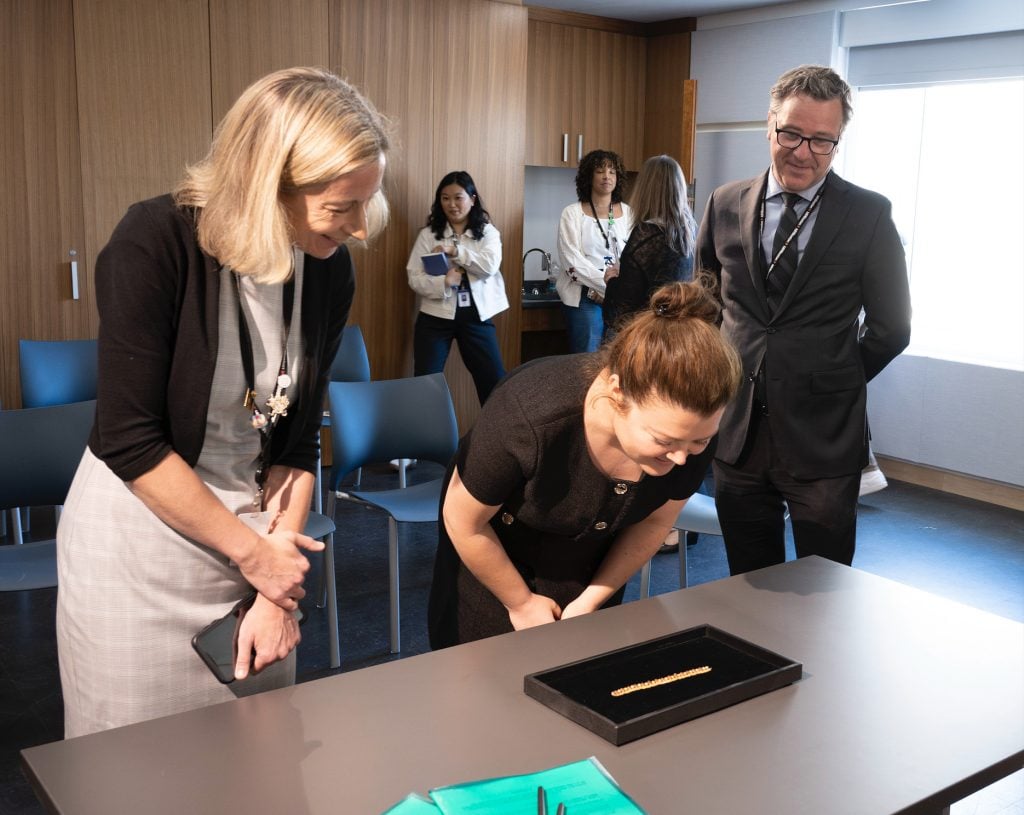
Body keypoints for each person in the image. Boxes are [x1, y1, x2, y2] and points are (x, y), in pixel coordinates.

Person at [56, 67, 391, 736]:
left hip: (253, 541)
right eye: (340, 205)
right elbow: (130, 440)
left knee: (259, 766)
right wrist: (255, 556)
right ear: (271, 182)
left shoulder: (326, 266)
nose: (358, 227)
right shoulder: (155, 240)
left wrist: (276, 584)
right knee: (134, 773)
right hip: (138, 549)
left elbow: (296, 443)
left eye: (366, 202)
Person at [427, 278, 743, 648]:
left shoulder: (690, 430)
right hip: (495, 558)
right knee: (486, 684)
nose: (681, 457)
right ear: (616, 391)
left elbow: (656, 521)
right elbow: (463, 520)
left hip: (592, 567)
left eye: (699, 441)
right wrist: (521, 602)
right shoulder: (528, 417)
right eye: (662, 441)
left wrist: (593, 599)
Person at [696, 64, 911, 576]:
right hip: (737, 429)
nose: (803, 152)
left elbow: (892, 327)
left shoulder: (869, 214)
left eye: (822, 141)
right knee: (748, 581)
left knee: (825, 583)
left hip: (823, 436)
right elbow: (705, 309)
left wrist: (834, 375)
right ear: (769, 124)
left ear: (839, 142)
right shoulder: (725, 203)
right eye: (791, 133)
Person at [406, 170, 508, 404]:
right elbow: (414, 277)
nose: (451, 204)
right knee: (425, 382)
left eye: (458, 197)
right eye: (445, 198)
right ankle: (426, 437)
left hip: (476, 316)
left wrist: (456, 251)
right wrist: (443, 282)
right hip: (435, 317)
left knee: (493, 380)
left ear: (472, 200)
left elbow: (490, 266)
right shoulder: (429, 235)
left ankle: (495, 437)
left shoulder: (488, 233)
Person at [602, 154, 697, 339]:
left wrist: (612, 280)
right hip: (677, 335)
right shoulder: (689, 232)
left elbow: (622, 309)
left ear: (645, 189)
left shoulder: (646, 233)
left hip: (645, 337)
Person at [556, 149, 633, 352]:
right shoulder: (571, 213)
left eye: (612, 171)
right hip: (585, 297)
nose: (607, 176)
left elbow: (634, 256)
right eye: (600, 171)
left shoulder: (628, 213)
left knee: (616, 363)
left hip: (620, 299)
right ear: (589, 176)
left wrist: (617, 290)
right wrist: (607, 287)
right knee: (586, 362)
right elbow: (571, 260)